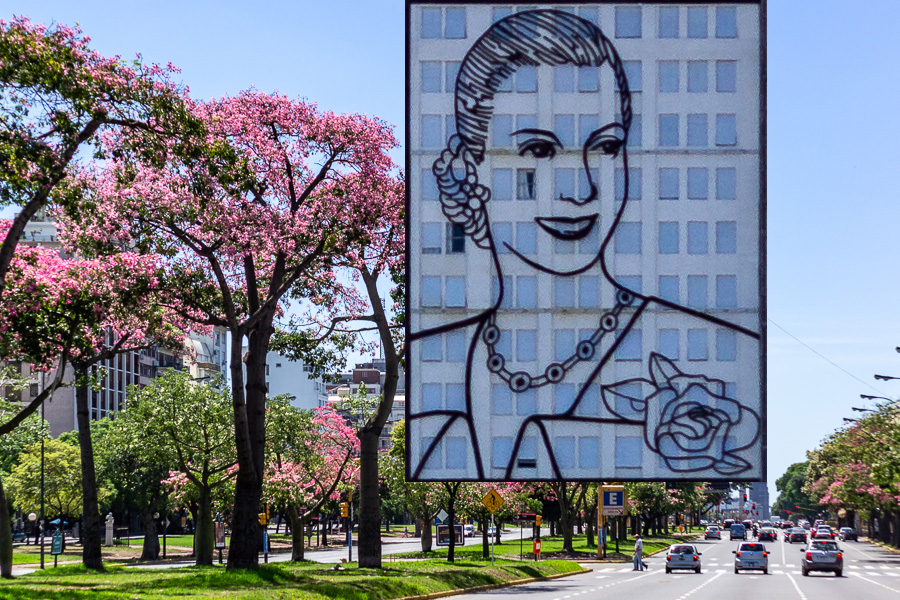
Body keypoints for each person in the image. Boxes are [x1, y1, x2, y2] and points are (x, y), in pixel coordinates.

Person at [409, 8, 761, 481]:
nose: (582, 188)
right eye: (538, 150)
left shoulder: (717, 343)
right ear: (468, 168)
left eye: (607, 147)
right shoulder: (433, 356)